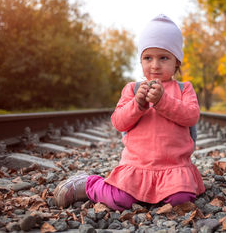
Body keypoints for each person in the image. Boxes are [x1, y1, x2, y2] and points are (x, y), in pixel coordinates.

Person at [53, 14, 205, 211]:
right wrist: (138, 104)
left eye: (163, 58)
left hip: (173, 166)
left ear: (177, 61)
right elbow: (118, 122)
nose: (155, 65)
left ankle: (165, 191)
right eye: (148, 58)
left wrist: (162, 100)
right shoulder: (132, 89)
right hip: (137, 166)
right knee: (120, 200)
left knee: (181, 200)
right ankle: (89, 185)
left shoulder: (184, 88)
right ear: (141, 60)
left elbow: (191, 116)